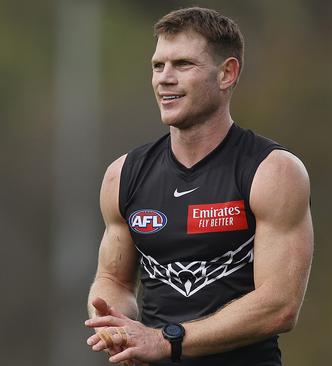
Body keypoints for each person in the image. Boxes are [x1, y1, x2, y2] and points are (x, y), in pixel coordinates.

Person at [84, 7, 313, 366]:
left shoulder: (273, 171)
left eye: (183, 65)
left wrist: (167, 340)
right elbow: (113, 278)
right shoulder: (123, 174)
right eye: (158, 66)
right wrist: (117, 324)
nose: (164, 78)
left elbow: (279, 307)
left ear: (227, 73)